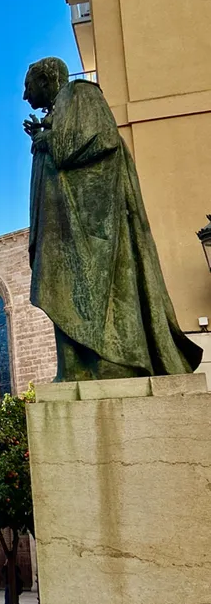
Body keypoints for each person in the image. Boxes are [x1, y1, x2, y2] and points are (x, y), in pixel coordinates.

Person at [24, 57, 202, 381]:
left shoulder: (81, 93)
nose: (25, 96)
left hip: (88, 229)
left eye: (28, 86)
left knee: (89, 291)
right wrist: (45, 134)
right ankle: (74, 368)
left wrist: (47, 140)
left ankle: (113, 360)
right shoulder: (62, 109)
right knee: (59, 289)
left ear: (47, 79)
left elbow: (96, 139)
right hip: (63, 226)